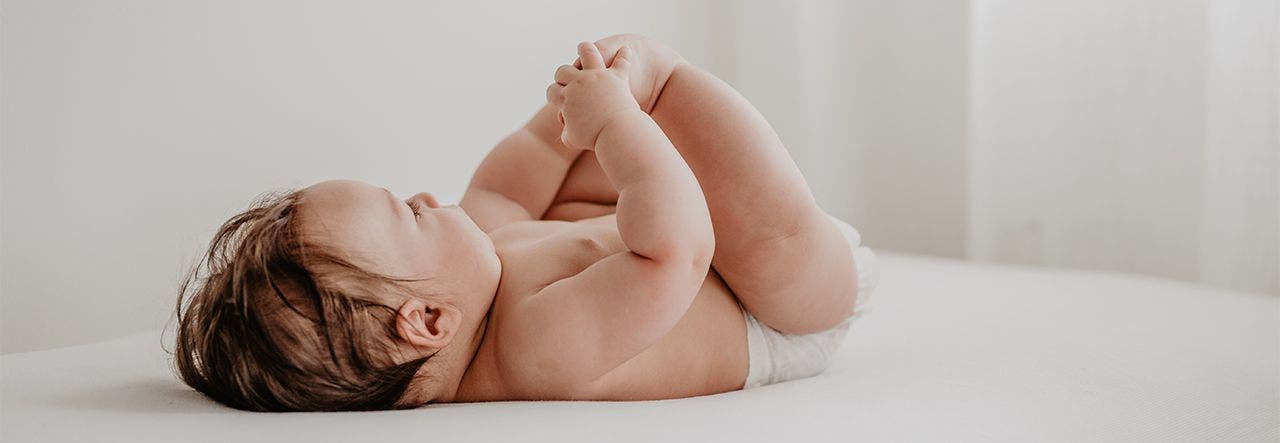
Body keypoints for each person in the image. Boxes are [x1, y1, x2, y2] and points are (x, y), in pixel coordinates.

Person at [173, 34, 879, 411]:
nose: (428, 195)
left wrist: (581, 100)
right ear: (425, 321)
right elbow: (679, 250)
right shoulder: (535, 346)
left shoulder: (473, 259)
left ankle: (641, 91)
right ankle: (671, 75)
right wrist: (628, 116)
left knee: (574, 174)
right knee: (764, 240)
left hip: (696, 257)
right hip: (778, 314)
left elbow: (531, 159)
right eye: (411, 213)